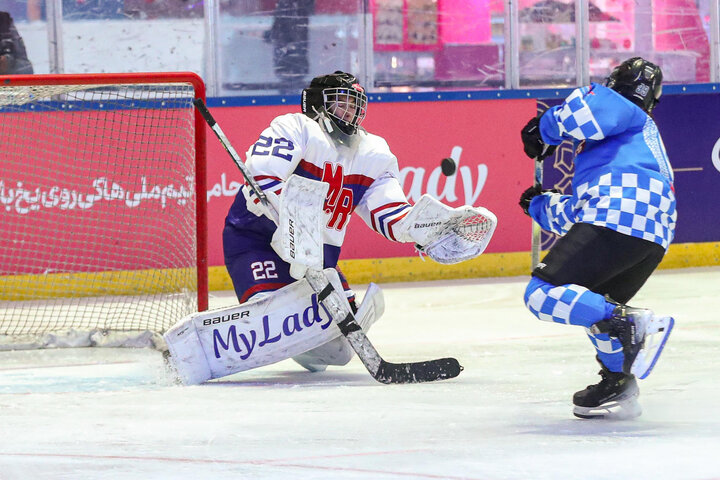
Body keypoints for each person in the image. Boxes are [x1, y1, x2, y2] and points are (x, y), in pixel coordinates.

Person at [211, 70, 496, 377]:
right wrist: (294, 226)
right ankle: (213, 339)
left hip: (317, 262)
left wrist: (425, 229)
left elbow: (390, 213)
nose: (350, 112)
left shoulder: (374, 153)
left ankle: (302, 346)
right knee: (269, 318)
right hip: (257, 242)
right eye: (341, 103)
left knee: (339, 352)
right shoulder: (296, 127)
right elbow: (264, 175)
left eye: (355, 104)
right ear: (318, 104)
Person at [518, 57, 676, 419]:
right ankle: (618, 381)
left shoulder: (620, 109)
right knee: (597, 308)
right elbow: (583, 215)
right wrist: (540, 205)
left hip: (618, 219)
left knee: (541, 295)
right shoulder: (636, 145)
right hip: (650, 237)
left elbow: (587, 111)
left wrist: (542, 130)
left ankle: (628, 322)